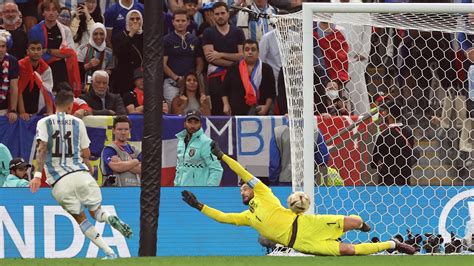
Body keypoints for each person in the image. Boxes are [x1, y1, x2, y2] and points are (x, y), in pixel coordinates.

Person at [181, 141, 416, 256]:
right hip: (302, 243)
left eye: (244, 188)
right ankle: (393, 244)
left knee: (355, 222)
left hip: (307, 223)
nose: (242, 190)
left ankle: (362, 225)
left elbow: (242, 172)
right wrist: (198, 206)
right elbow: (222, 217)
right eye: (241, 190)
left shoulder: (264, 192)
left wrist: (222, 156)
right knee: (350, 251)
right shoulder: (247, 218)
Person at [29, 90, 132, 260]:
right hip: (81, 173)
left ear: (56, 104)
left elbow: (42, 149)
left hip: (60, 180)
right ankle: (109, 217)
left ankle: (109, 252)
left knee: (81, 218)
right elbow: (86, 152)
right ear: (71, 106)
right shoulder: (78, 123)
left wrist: (37, 175)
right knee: (96, 211)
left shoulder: (44, 122)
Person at [28, 0, 81, 96]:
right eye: (48, 10)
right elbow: (34, 53)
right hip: (42, 70)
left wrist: (48, 50)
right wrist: (58, 53)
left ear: (58, 12)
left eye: (54, 10)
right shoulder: (35, 30)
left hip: (61, 71)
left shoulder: (65, 30)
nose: (51, 13)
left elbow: (70, 53)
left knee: (61, 102)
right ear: (43, 13)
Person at [202, 2, 245, 115]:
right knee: (217, 109)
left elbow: (242, 55)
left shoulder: (238, 32)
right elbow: (210, 58)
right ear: (212, 15)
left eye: (222, 13)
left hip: (236, 77)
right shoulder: (208, 32)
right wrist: (233, 64)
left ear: (228, 14)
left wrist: (220, 54)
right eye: (217, 14)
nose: (220, 16)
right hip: (216, 78)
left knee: (236, 107)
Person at [222, 39, 275, 115]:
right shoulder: (233, 67)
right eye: (247, 50)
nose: (250, 52)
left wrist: (266, 107)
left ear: (258, 53)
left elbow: (271, 92)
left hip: (259, 111)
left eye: (253, 50)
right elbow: (224, 89)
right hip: (237, 111)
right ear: (243, 53)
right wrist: (226, 104)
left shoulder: (267, 69)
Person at [371, 100, 418, 186]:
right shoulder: (409, 132)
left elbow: (374, 162)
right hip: (404, 180)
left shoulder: (383, 135)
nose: (383, 113)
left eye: (385, 110)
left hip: (386, 181)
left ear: (389, 115)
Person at [163, 8, 204, 106]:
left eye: (183, 20)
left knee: (196, 108)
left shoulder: (195, 40)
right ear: (173, 22)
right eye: (177, 21)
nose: (180, 23)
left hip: (192, 83)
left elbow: (200, 62)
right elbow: (163, 64)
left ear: (188, 22)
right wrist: (177, 79)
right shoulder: (166, 40)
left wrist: (195, 76)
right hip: (172, 83)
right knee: (172, 108)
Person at [174, 110, 223, 186]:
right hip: (181, 190)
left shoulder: (206, 143)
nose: (192, 126)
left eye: (196, 122)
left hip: (199, 193)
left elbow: (217, 170)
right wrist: (176, 186)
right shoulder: (181, 141)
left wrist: (209, 192)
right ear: (184, 124)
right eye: (190, 122)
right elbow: (179, 166)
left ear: (201, 124)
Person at [18, 40, 54, 121]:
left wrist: (50, 112)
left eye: (38, 49)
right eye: (33, 49)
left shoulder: (46, 69)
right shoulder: (19, 66)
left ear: (42, 52)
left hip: (38, 108)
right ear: (27, 51)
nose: (36, 52)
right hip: (20, 108)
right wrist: (22, 112)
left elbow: (48, 91)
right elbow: (18, 90)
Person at [100, 115, 141, 187]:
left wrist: (122, 163)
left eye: (126, 129)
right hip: (114, 192)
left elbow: (143, 169)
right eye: (119, 129)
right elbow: (117, 167)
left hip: (135, 191)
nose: (123, 132)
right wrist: (136, 161)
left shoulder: (135, 149)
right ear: (113, 130)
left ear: (129, 130)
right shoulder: (109, 149)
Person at [111, 9, 143, 96]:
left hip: (140, 75)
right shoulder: (119, 36)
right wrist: (131, 33)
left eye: (137, 19)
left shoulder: (145, 36)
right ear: (127, 20)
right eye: (132, 19)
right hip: (124, 76)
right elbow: (120, 53)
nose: (135, 21)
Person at [0, 30, 19, 124]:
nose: (0, 49)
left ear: (7, 47)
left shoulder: (12, 61)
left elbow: (14, 87)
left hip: (4, 107)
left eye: (3, 46)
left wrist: (13, 110)